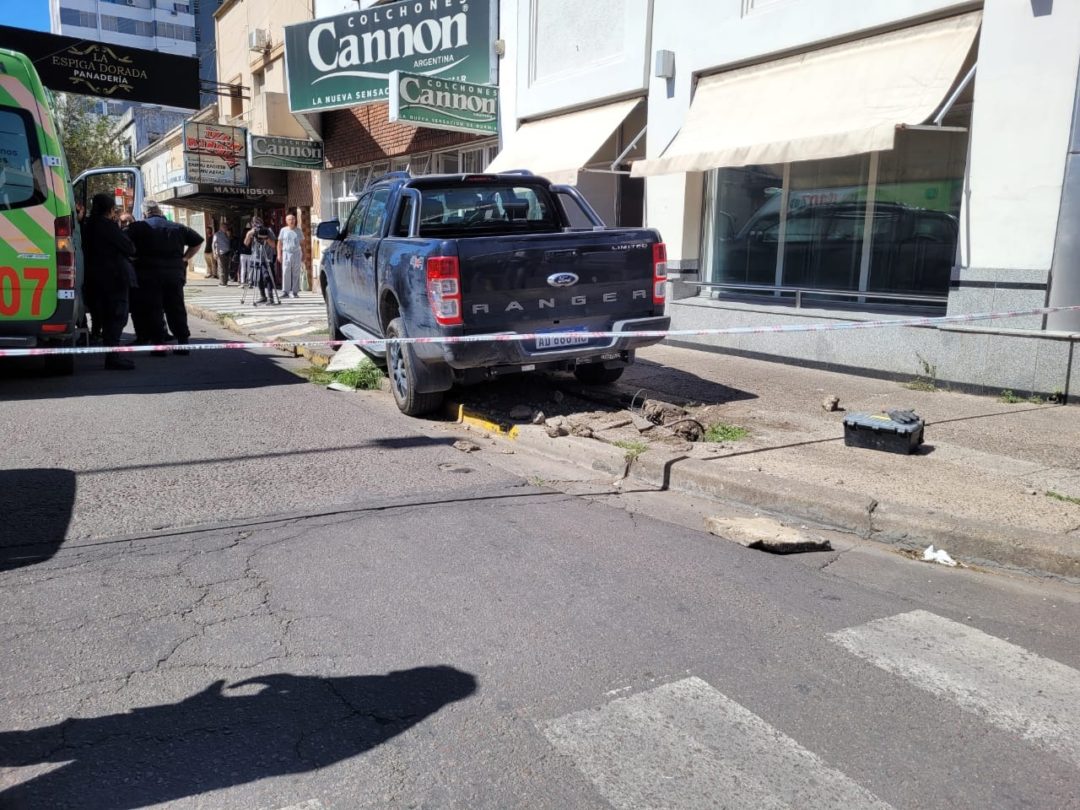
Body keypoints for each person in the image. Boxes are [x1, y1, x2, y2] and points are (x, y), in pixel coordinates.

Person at [127, 200, 204, 356]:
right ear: (160, 211)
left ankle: (159, 345)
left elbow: (123, 243)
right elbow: (198, 241)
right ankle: (183, 343)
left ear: (144, 213)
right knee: (176, 307)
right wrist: (184, 258)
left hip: (148, 275)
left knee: (153, 309)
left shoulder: (138, 228)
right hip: (174, 275)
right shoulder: (178, 227)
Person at [82, 193, 137, 370]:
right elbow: (129, 248)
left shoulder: (85, 225)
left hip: (92, 278)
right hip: (113, 278)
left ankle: (110, 352)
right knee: (116, 317)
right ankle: (113, 357)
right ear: (111, 210)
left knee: (104, 316)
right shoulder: (107, 226)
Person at [244, 217, 278, 305]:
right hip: (256, 257)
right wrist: (249, 234)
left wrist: (266, 238)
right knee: (258, 278)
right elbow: (246, 243)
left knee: (267, 277)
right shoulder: (252, 231)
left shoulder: (268, 230)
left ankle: (271, 298)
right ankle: (263, 296)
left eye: (258, 223)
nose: (256, 225)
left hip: (266, 257)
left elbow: (273, 245)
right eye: (254, 223)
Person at [276, 213, 303, 298]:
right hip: (286, 253)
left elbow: (302, 243)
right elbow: (279, 243)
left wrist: (304, 254)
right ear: (286, 221)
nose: (292, 221)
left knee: (296, 272)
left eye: (293, 219)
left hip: (296, 253)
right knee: (285, 272)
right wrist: (279, 254)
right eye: (290, 219)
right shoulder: (283, 230)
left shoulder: (299, 230)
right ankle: (285, 292)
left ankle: (295, 292)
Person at [212, 221, 232, 286]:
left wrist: (229, 236)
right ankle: (222, 282)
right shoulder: (217, 234)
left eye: (226, 227)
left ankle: (225, 282)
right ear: (221, 227)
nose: (225, 228)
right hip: (221, 253)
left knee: (227, 268)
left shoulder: (227, 234)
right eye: (224, 227)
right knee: (221, 268)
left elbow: (229, 242)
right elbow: (213, 244)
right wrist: (214, 253)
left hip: (228, 253)